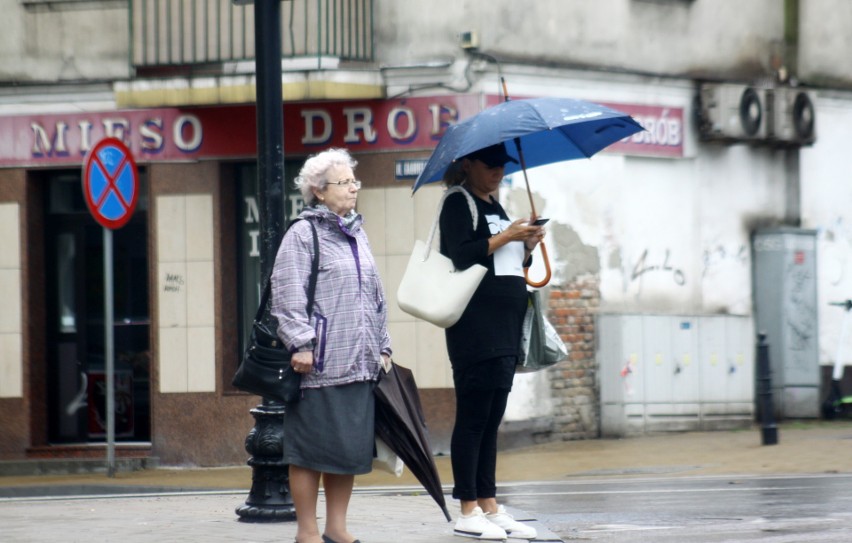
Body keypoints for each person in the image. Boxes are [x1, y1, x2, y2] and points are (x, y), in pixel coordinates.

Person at [271, 148, 392, 543]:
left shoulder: (357, 232)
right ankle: (307, 531)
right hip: (318, 364)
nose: (353, 188)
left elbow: (375, 296)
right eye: (344, 182)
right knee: (308, 451)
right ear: (318, 191)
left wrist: (383, 346)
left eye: (354, 181)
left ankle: (336, 528)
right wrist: (301, 344)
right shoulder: (302, 233)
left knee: (347, 450)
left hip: (359, 362)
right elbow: (286, 293)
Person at [439, 143, 544, 541]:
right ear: (468, 165)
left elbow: (509, 265)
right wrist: (507, 236)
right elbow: (462, 254)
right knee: (474, 416)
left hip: (504, 325)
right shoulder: (457, 202)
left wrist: (527, 245)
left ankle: (489, 504)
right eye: (490, 165)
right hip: (475, 326)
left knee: (492, 419)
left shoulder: (496, 206)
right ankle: (467, 508)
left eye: (503, 165)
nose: (498, 171)